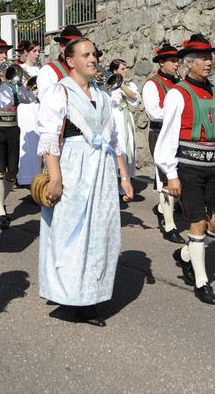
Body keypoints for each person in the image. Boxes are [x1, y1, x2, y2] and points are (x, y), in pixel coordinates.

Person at [37, 37, 133, 326]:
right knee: (70, 231)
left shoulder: (103, 95)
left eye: (95, 54)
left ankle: (90, 293)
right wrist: (55, 177)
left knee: (99, 231)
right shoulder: (60, 92)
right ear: (70, 61)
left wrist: (124, 177)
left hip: (102, 169)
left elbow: (112, 139)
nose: (93, 59)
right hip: (74, 166)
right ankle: (72, 294)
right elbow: (50, 137)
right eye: (86, 55)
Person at [155, 34, 215, 305]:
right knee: (197, 223)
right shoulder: (177, 95)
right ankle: (202, 282)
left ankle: (186, 255)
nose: (208, 62)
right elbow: (166, 136)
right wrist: (171, 174)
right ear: (188, 63)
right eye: (202, 58)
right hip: (188, 166)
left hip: (213, 166)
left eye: (210, 58)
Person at [0, 36, 34, 229]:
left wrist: (20, 82)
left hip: (13, 128)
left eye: (5, 52)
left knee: (12, 173)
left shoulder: (12, 80)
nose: (3, 56)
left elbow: (30, 98)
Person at [141, 42, 184, 243]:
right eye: (173, 61)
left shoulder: (180, 83)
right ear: (161, 63)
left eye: (178, 61)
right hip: (160, 134)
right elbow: (154, 112)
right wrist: (178, 113)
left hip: (179, 134)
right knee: (166, 178)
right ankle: (169, 225)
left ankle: (162, 209)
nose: (177, 65)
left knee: (179, 176)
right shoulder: (152, 84)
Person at [108, 59, 140, 181]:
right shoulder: (109, 85)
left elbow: (135, 99)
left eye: (126, 68)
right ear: (114, 71)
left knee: (129, 145)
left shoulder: (130, 85)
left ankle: (127, 176)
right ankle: (116, 175)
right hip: (116, 117)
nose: (125, 71)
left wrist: (121, 84)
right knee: (119, 143)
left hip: (126, 118)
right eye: (122, 69)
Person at [17, 41, 43, 187]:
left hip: (40, 108)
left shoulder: (41, 69)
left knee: (41, 143)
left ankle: (41, 181)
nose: (37, 54)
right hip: (27, 109)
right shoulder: (19, 69)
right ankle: (29, 180)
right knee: (29, 143)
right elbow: (19, 93)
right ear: (26, 52)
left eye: (39, 51)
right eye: (34, 51)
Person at [35, 25, 83, 98]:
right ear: (61, 47)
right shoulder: (48, 70)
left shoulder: (83, 69)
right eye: (73, 46)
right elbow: (47, 102)